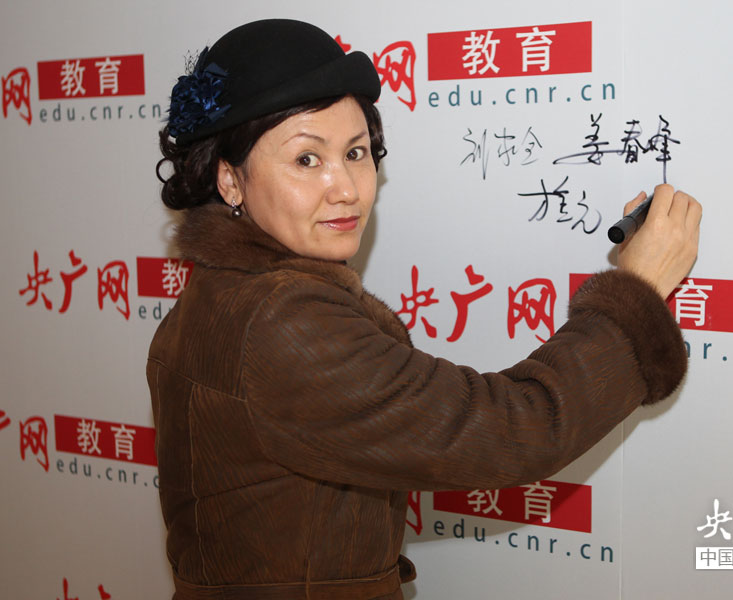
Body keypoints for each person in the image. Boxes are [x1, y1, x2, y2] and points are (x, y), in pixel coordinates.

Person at [148, 18, 701, 600]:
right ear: (230, 181)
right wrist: (636, 291)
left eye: (356, 153)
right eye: (307, 160)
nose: (346, 188)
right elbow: (513, 428)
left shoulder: (222, 294)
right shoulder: (280, 322)